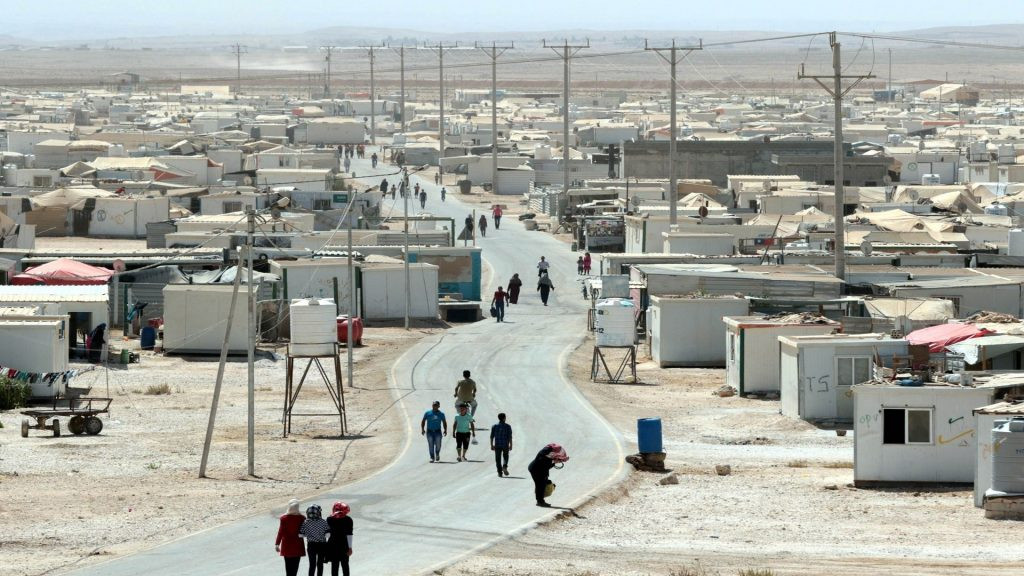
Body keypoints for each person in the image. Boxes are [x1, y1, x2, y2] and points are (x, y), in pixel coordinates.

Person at [528, 443, 569, 507]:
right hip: (535, 470)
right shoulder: (543, 454)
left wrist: (555, 461)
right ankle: (540, 502)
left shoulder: (548, 455)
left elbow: (547, 466)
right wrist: (554, 461)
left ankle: (540, 499)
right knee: (540, 485)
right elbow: (543, 461)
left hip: (540, 471)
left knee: (543, 484)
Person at [276, 499, 306, 576]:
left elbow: (280, 532)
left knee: (288, 568)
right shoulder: (302, 518)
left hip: (287, 546)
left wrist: (277, 544)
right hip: (298, 546)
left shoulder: (283, 518)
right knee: (295, 568)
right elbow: (305, 531)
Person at [300, 505, 330, 576]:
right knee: (320, 564)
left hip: (311, 545)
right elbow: (328, 535)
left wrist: (309, 534)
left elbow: (300, 535)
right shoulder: (323, 522)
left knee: (312, 564)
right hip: (322, 545)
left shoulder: (305, 522)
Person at [325, 501, 353, 576]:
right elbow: (349, 535)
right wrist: (350, 548)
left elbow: (327, 535)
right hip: (344, 546)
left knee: (334, 566)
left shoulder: (329, 519)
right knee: (345, 565)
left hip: (333, 546)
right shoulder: (348, 520)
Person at [490, 413, 513, 477]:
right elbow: (510, 437)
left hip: (497, 445)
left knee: (498, 459)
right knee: (505, 456)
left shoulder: (494, 426)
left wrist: (491, 445)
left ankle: (499, 472)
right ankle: (504, 466)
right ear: (504, 418)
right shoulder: (508, 426)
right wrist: (511, 445)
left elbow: (491, 436)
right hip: (505, 444)